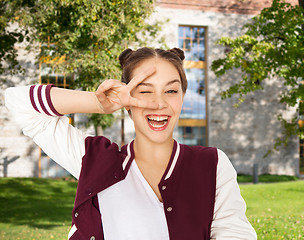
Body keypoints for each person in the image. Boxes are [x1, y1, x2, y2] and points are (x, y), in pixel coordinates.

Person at [5, 47, 257, 240]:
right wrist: (98, 103)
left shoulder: (212, 163)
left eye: (171, 91)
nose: (158, 103)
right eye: (144, 91)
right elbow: (18, 102)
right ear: (126, 99)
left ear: (182, 97)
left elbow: (233, 233)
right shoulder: (94, 159)